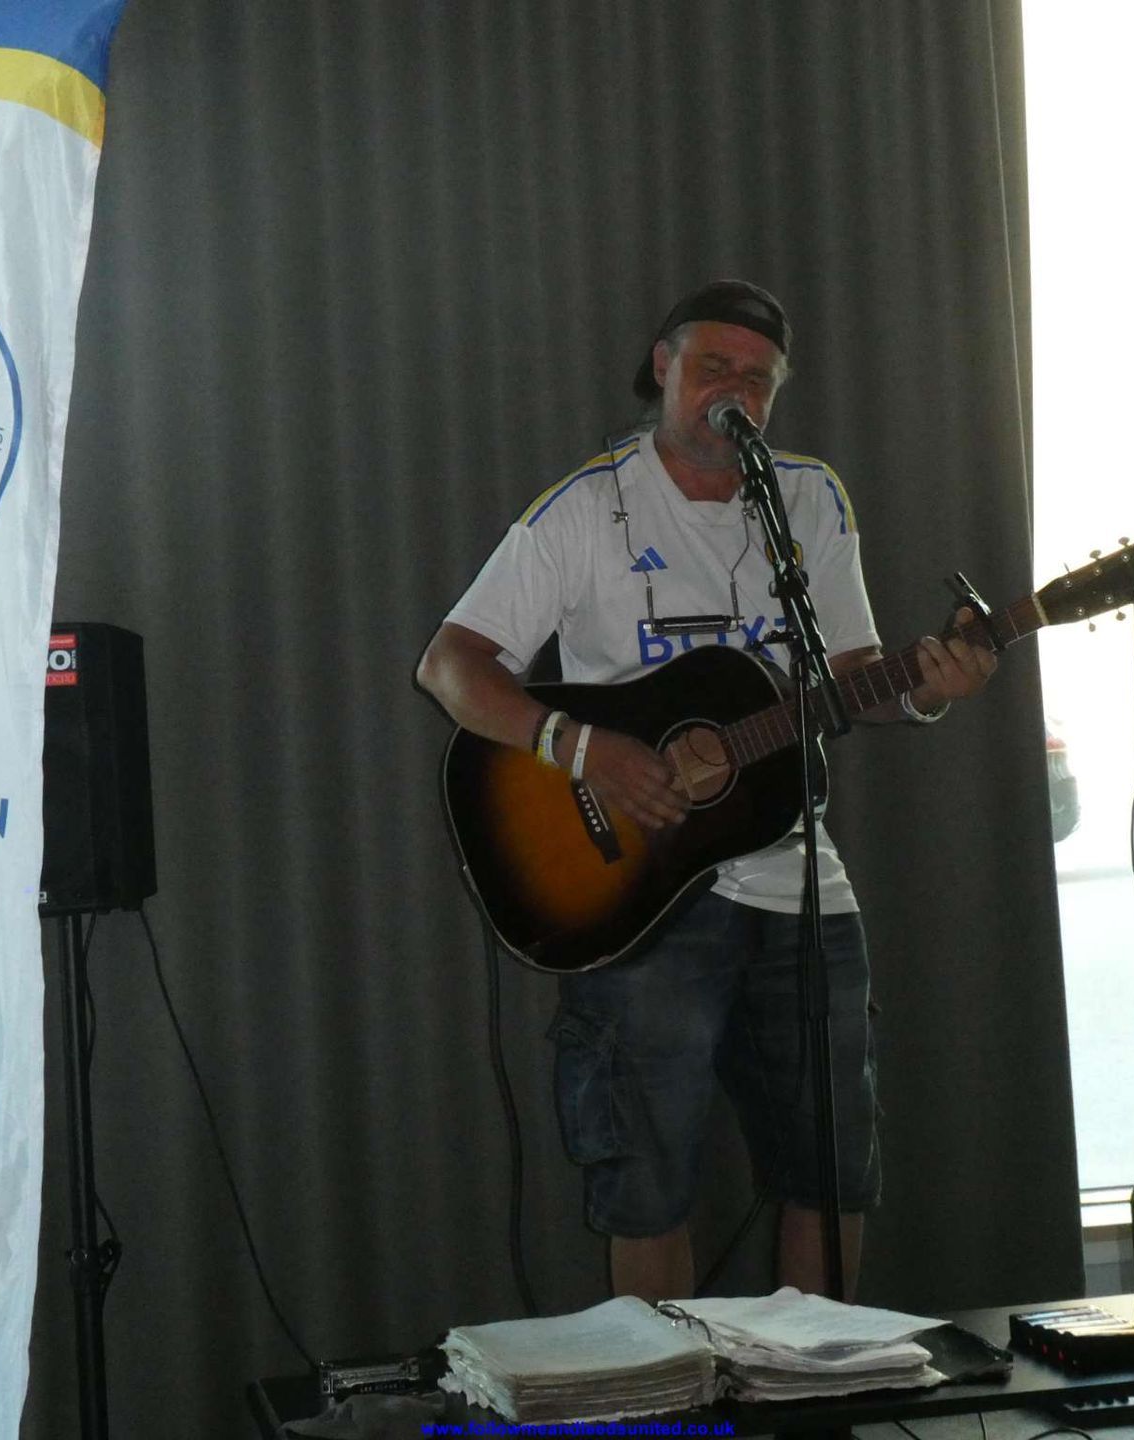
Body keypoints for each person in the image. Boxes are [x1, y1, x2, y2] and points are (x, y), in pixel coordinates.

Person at [415, 280, 997, 1303]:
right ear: (663, 367)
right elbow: (450, 666)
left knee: (832, 1172)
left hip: (799, 878)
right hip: (637, 890)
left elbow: (852, 676)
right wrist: (579, 747)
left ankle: (819, 1377)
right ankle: (663, 1388)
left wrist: (929, 691)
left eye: (758, 379)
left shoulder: (809, 498)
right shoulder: (585, 508)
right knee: (648, 1188)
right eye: (713, 366)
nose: (735, 390)